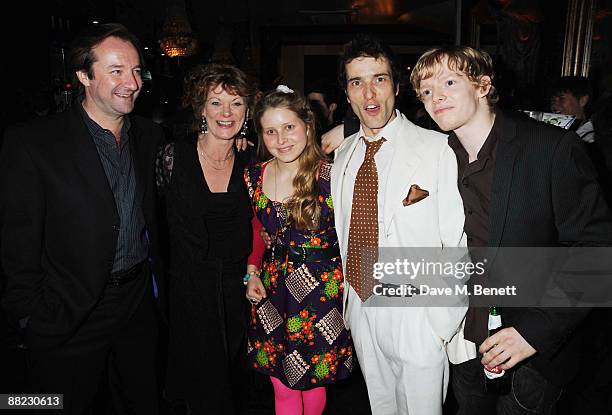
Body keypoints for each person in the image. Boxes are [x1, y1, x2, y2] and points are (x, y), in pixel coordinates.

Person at [410, 45, 612, 414]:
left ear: (483, 85)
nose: (434, 96)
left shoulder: (550, 148)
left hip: (531, 350)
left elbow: (595, 252)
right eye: (424, 90)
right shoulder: (434, 154)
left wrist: (534, 333)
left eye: (449, 82)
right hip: (463, 341)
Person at [0, 23, 165, 414]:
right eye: (117, 71)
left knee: (142, 402)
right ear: (83, 76)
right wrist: (30, 316)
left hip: (136, 306)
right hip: (67, 310)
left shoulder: (150, 137)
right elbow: (16, 240)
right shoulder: (32, 143)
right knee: (48, 405)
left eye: (137, 70)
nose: (132, 82)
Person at [329, 35, 471, 415]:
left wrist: (439, 323)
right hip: (360, 305)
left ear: (396, 85)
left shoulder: (438, 148)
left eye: (379, 78)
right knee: (381, 405)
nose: (369, 92)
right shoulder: (343, 155)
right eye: (357, 82)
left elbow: (457, 240)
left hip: (417, 312)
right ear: (347, 94)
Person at [156, 63, 258, 414]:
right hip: (189, 292)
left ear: (247, 111)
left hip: (238, 294)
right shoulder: (171, 156)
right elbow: (153, 223)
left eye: (236, 103)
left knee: (234, 385)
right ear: (201, 109)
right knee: (201, 388)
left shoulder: (253, 159)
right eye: (216, 103)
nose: (226, 113)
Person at [244, 86, 353, 415]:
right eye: (271, 131)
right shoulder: (254, 176)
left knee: (313, 381)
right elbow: (255, 231)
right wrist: (250, 273)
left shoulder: (333, 175)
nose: (281, 138)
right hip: (271, 289)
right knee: (282, 383)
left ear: (307, 124)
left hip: (321, 290)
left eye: (289, 127)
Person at [550, 76, 594, 142]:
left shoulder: (591, 139)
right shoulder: (552, 131)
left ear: (583, 100)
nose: (554, 105)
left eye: (562, 99)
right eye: (553, 100)